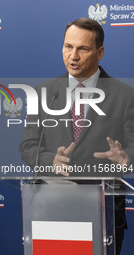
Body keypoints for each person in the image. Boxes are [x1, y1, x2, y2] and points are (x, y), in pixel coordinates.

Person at [19, 17, 134, 255]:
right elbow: (28, 146)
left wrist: (126, 158)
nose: (73, 56)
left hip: (103, 213)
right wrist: (50, 160)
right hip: (50, 208)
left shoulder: (126, 96)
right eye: (68, 46)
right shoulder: (43, 93)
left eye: (82, 48)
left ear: (100, 52)